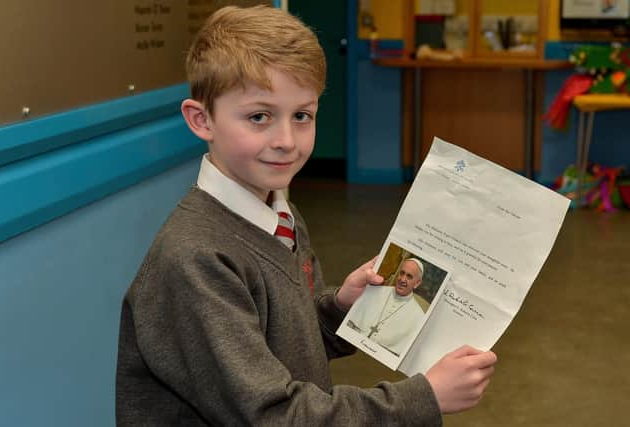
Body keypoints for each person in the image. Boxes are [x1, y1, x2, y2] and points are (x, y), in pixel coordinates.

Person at [115, 5, 497, 426]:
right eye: (259, 117)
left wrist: (337, 309)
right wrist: (424, 397)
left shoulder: (280, 214)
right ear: (201, 119)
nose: (286, 141)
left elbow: (276, 343)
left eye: (302, 116)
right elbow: (274, 414)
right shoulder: (196, 259)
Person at [348, 258, 427, 356]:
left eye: (409, 276)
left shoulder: (418, 317)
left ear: (417, 283)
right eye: (402, 273)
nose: (402, 279)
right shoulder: (373, 292)